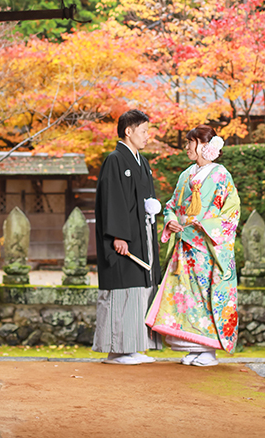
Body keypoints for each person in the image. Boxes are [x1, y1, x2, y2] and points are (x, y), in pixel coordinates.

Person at [146, 125, 240, 366]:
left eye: (191, 142)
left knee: (204, 299)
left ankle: (208, 351)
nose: (187, 147)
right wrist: (172, 221)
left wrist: (203, 225)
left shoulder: (221, 175)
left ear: (205, 146)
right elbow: (171, 205)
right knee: (185, 299)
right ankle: (194, 348)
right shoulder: (186, 175)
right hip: (184, 248)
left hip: (207, 249)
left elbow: (231, 214)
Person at [92, 109, 163, 364]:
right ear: (128, 131)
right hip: (123, 239)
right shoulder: (115, 160)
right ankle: (117, 349)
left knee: (141, 288)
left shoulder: (141, 162)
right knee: (123, 290)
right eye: (143, 131)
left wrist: (152, 207)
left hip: (142, 234)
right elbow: (112, 200)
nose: (147, 136)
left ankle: (133, 347)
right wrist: (117, 235)